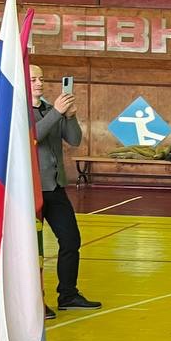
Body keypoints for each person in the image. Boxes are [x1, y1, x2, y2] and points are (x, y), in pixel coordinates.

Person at [30, 65, 100, 318]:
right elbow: (32, 136)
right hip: (30, 190)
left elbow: (74, 139)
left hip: (55, 187)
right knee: (31, 248)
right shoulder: (18, 111)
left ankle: (68, 294)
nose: (39, 83)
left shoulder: (50, 109)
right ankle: (33, 302)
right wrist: (57, 113)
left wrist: (69, 116)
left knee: (71, 240)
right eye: (33, 79)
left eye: (41, 78)